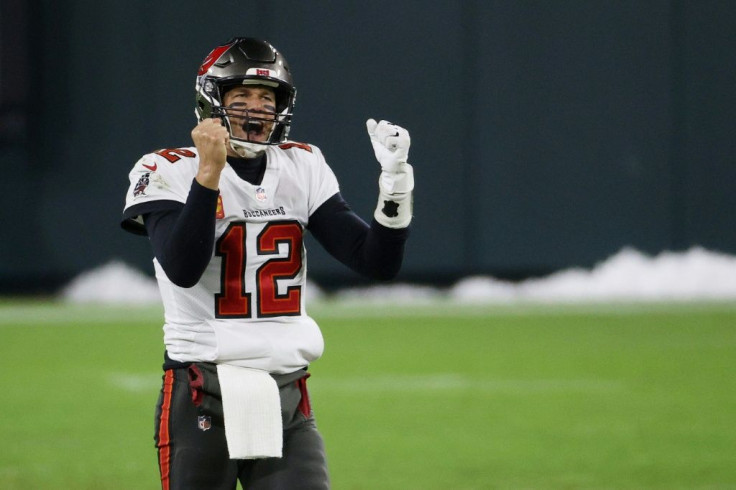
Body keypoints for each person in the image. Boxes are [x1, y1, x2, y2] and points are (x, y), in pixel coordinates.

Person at [121, 37, 414, 490]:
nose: (256, 109)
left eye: (266, 98)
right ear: (211, 103)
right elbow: (183, 267)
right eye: (241, 98)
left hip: (285, 388)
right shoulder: (165, 168)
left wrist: (395, 188)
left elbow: (374, 262)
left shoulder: (302, 163)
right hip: (204, 386)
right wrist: (209, 174)